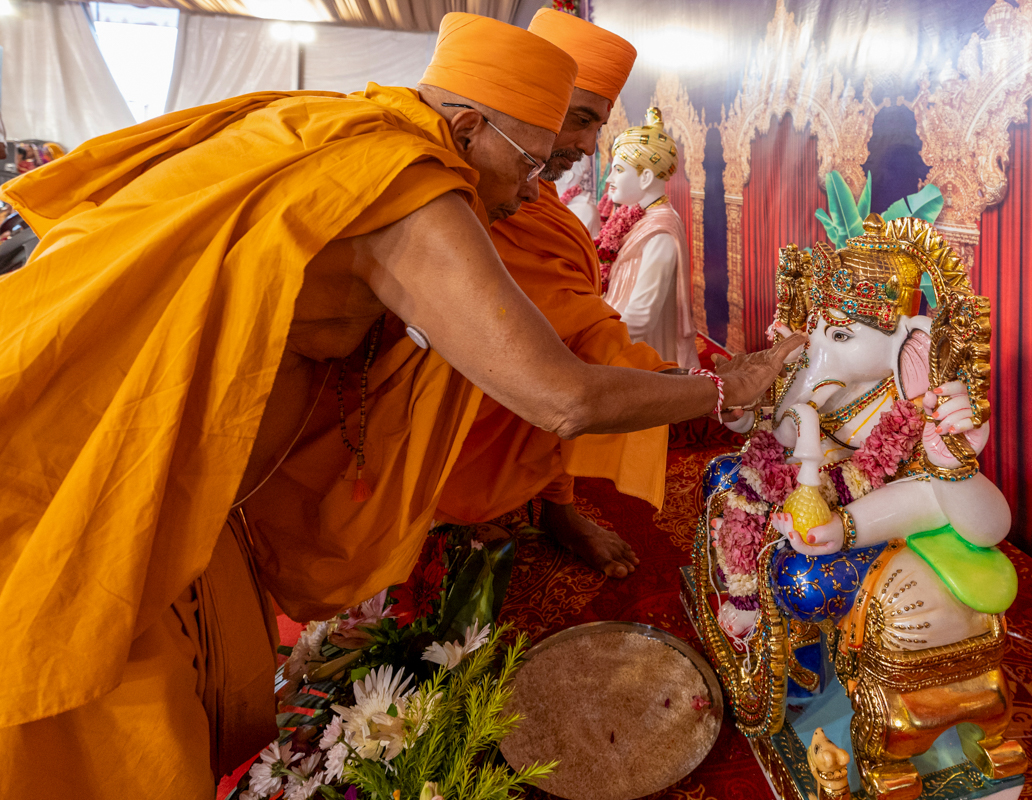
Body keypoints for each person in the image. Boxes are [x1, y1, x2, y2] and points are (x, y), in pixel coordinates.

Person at [0, 12, 801, 800]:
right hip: (99, 487)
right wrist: (730, 385)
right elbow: (562, 395)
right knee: (102, 726)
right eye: (533, 160)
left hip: (74, 418)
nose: (536, 188)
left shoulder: (335, 123)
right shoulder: (410, 185)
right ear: (465, 128)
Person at [438, 9, 672, 579]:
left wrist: (677, 384)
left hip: (554, 396)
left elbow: (572, 327)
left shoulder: (541, 207)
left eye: (598, 126)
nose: (590, 146)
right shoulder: (447, 200)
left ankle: (557, 508)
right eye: (579, 119)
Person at [601, 108, 700, 369]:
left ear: (645, 177)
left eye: (618, 170)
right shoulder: (636, 217)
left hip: (639, 358)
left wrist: (594, 338)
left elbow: (641, 316)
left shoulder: (660, 232)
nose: (609, 179)